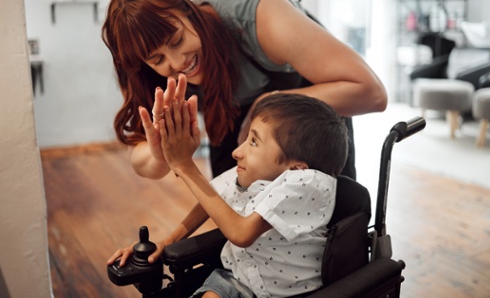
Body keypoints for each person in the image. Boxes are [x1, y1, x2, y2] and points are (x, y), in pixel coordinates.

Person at [101, 0, 387, 180]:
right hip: (232, 114)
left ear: (189, 9)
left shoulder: (261, 16)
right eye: (157, 59)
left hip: (310, 106)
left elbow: (372, 93)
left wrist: (271, 102)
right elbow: (142, 163)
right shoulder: (151, 74)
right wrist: (160, 151)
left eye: (177, 41)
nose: (177, 64)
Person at [108, 91, 349, 298]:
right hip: (238, 280)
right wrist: (166, 242)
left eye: (253, 142)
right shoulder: (252, 173)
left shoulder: (309, 183)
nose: (236, 152)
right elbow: (211, 196)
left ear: (296, 167)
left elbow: (241, 234)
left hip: (294, 292)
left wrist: (184, 165)